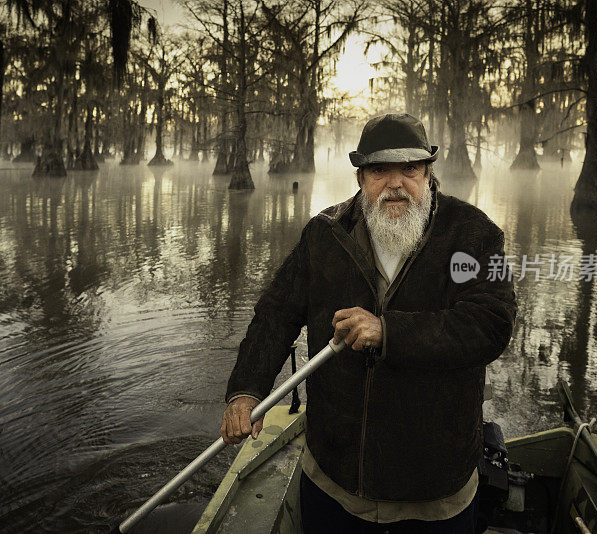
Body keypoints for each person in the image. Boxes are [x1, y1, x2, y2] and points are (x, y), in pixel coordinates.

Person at [221, 112, 518, 533]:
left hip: (434, 493)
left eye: (409, 169)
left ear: (428, 173)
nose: (395, 183)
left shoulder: (471, 235)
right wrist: (246, 392)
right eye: (380, 170)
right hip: (333, 481)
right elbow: (277, 312)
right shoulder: (324, 234)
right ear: (361, 178)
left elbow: (491, 324)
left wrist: (389, 331)